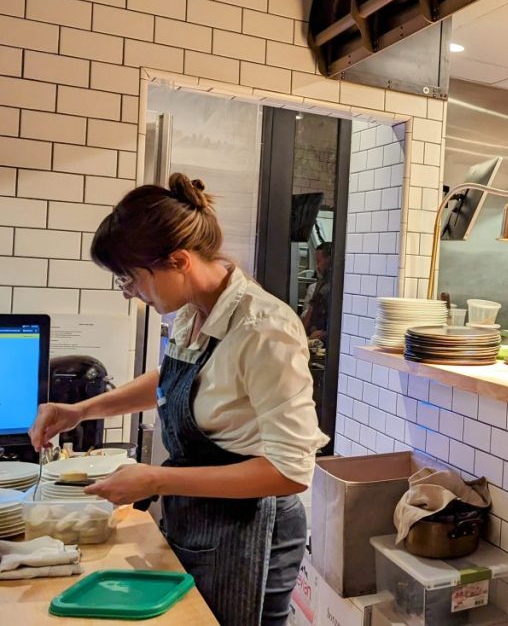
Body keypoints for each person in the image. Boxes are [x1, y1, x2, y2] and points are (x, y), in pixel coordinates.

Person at [29, 174, 328, 626]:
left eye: (130, 279)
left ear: (178, 261)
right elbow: (172, 380)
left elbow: (290, 471)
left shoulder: (265, 329)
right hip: (202, 519)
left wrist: (155, 480)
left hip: (253, 528)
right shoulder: (193, 311)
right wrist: (82, 410)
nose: (130, 293)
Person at [301, 241, 333, 341]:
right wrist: (302, 336)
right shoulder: (320, 284)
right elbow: (311, 310)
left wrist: (324, 334)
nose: (317, 267)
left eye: (319, 262)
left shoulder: (337, 288)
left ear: (329, 260)